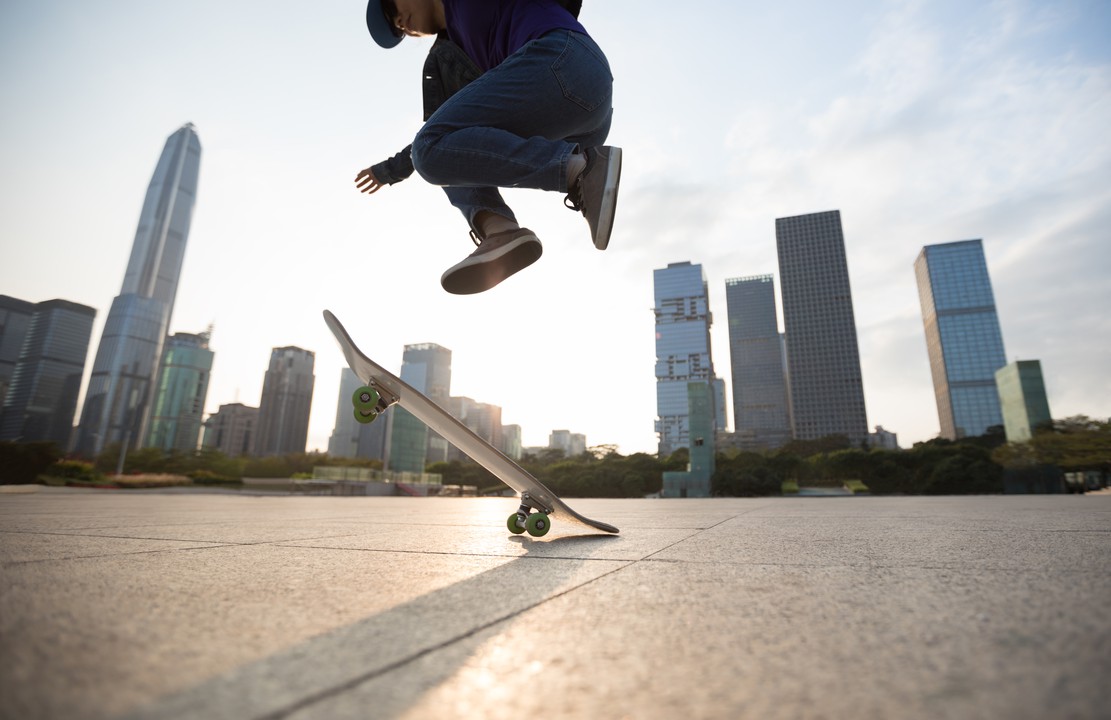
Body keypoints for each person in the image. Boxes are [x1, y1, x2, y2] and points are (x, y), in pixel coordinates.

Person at [356, 0, 622, 295]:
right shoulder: (445, 60)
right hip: (577, 121)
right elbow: (437, 139)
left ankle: (578, 172)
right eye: (397, 29)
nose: (398, 24)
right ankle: (499, 230)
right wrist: (390, 170)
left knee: (434, 144)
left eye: (392, 11)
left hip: (564, 61)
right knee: (445, 152)